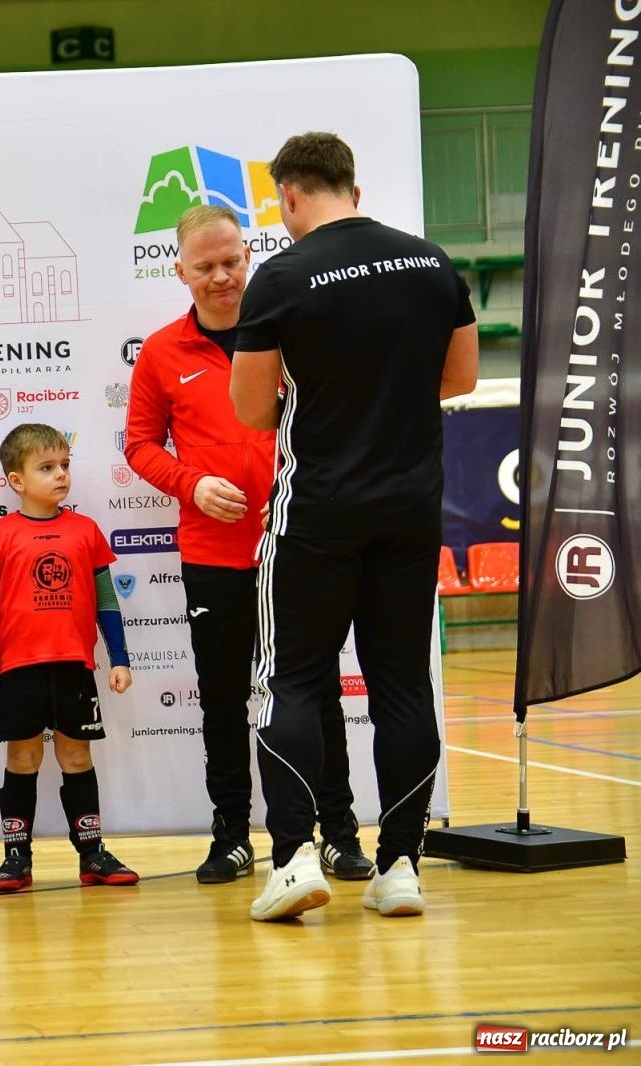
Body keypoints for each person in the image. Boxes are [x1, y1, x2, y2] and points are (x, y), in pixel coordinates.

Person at [231, 132, 478, 921]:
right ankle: (401, 866)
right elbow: (462, 377)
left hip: (318, 513)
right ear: (355, 191)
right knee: (403, 685)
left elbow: (249, 409)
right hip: (410, 510)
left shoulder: (281, 276)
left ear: (290, 197)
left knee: (292, 680)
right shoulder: (431, 263)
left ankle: (296, 856)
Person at [125, 204, 372, 885]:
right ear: (179, 271)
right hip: (213, 556)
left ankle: (339, 831)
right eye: (205, 267)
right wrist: (191, 484)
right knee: (224, 698)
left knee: (317, 694)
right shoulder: (160, 353)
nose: (222, 276)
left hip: (300, 550)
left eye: (232, 261)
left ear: (249, 256)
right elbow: (140, 446)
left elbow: (339, 426)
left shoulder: (296, 336)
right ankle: (232, 834)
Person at [0, 423, 139, 893]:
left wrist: (119, 657)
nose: (61, 475)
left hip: (74, 666)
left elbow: (106, 601)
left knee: (75, 755)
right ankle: (15, 858)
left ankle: (92, 854)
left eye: (65, 465)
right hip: (20, 670)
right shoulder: (0, 535)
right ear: (17, 480)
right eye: (47, 467)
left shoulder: (85, 530)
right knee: (22, 757)